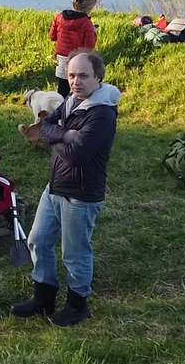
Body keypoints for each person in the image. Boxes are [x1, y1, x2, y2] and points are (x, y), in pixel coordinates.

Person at [11, 50, 120, 328]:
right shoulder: (71, 101)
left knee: (74, 252)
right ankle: (43, 297)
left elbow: (77, 155)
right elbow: (44, 126)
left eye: (83, 75)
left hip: (81, 194)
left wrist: (55, 137)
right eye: (71, 75)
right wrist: (65, 135)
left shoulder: (103, 114)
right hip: (56, 186)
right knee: (37, 239)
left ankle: (77, 306)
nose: (76, 81)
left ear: (98, 77)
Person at [49, 0, 98, 98]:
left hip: (61, 58)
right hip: (78, 59)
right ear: (90, 8)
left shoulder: (59, 17)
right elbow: (89, 47)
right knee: (79, 89)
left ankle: (60, 111)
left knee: (62, 90)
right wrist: (93, 33)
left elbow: (52, 37)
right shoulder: (86, 23)